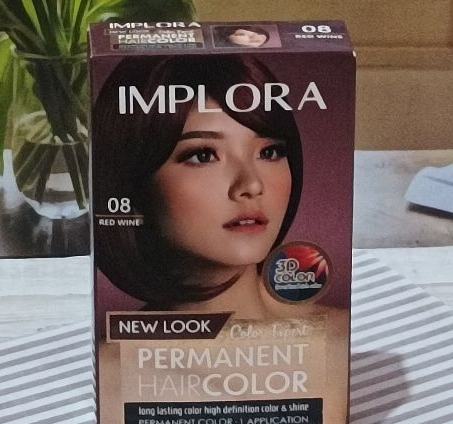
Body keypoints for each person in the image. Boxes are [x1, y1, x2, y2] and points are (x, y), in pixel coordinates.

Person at [92, 54, 304, 319]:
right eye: (203, 155)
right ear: (133, 181)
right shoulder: (114, 348)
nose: (251, 185)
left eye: (269, 152)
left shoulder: (335, 336)